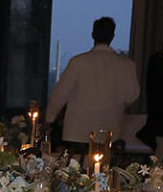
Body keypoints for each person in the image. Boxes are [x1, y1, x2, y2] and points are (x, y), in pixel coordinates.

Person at [45, 16, 139, 146]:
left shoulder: (78, 62)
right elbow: (132, 96)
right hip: (110, 132)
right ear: (112, 36)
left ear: (93, 35)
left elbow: (60, 94)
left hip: (77, 132)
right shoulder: (127, 65)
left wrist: (50, 118)